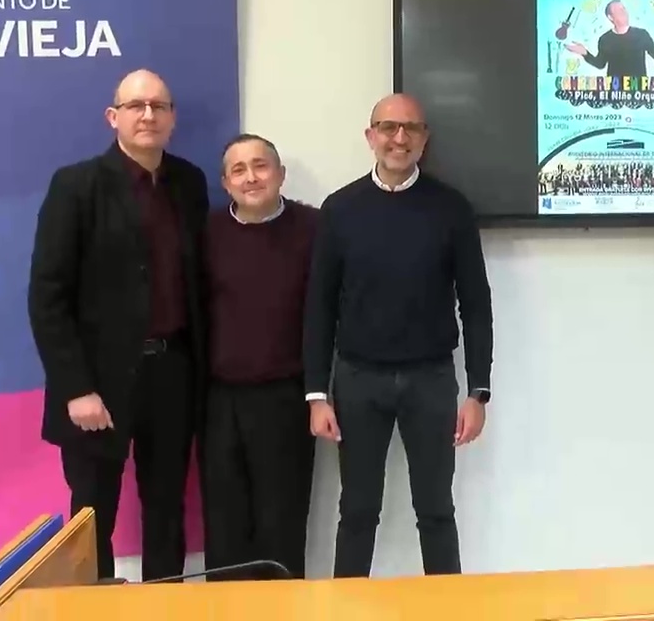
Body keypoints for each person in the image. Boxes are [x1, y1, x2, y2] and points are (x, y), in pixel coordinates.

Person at [27, 69, 209, 580]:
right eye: (135, 106)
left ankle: (165, 605)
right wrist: (76, 388)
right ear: (114, 118)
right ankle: (96, 607)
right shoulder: (76, 186)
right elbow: (47, 295)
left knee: (167, 509)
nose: (147, 115)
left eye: (158, 106)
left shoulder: (190, 183)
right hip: (97, 385)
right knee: (91, 515)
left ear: (172, 118)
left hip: (173, 372)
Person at [303, 92, 494, 578]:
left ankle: (448, 612)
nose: (399, 138)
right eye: (388, 127)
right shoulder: (339, 209)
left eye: (411, 129)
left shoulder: (451, 208)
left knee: (436, 511)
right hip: (357, 379)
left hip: (430, 381)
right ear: (371, 137)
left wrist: (478, 391)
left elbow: (475, 304)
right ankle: (348, 611)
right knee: (358, 512)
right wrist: (317, 394)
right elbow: (319, 306)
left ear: (424, 140)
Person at [201, 134, 318, 579]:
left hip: (287, 397)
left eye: (261, 166)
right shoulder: (206, 233)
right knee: (225, 526)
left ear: (280, 174)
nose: (251, 177)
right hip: (219, 400)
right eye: (238, 170)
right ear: (225, 183)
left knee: (282, 523)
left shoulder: (314, 228)